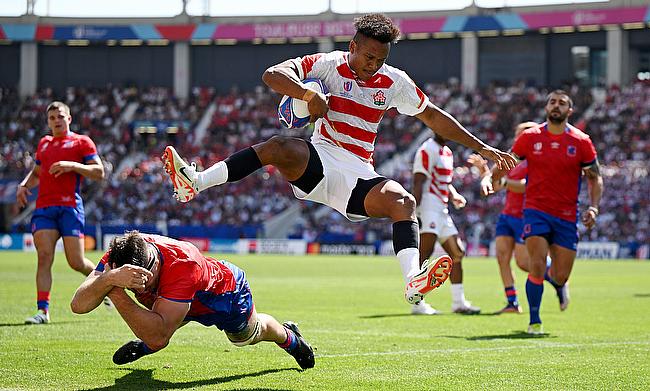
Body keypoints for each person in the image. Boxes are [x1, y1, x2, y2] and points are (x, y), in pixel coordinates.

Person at [162, 13, 516, 307]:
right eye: (368, 57)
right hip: (321, 159)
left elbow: (434, 116)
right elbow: (272, 75)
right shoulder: (328, 65)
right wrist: (307, 93)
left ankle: (412, 281)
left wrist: (482, 147)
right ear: (353, 47)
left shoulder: (395, 82)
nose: (373, 65)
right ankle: (195, 181)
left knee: (403, 202)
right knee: (279, 147)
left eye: (381, 60)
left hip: (359, 172)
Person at [70, 231, 315, 369]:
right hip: (176, 302)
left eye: (144, 275)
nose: (139, 282)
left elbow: (159, 334)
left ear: (153, 260)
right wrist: (109, 278)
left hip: (222, 296)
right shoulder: (120, 254)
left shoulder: (183, 264)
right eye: (130, 277)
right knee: (158, 325)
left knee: (247, 335)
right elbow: (78, 305)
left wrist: (114, 289)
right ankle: (145, 345)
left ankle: (290, 338)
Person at [511, 90, 603, 334]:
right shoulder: (530, 137)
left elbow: (595, 178)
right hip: (535, 210)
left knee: (560, 275)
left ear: (569, 111)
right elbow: (509, 162)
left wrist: (593, 207)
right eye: (552, 102)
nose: (556, 106)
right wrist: (491, 177)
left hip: (566, 215)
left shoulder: (581, 141)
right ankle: (534, 321)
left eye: (562, 103)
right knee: (537, 265)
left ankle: (560, 286)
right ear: (546, 108)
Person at [17, 101, 106, 325]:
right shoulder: (44, 144)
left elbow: (99, 172)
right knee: (44, 257)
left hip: (69, 207)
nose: (56, 120)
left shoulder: (81, 142)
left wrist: (72, 165)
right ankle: (42, 311)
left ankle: (106, 282)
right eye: (52, 118)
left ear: (69, 118)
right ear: (48, 122)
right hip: (44, 207)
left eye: (60, 116)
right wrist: (24, 185)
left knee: (76, 262)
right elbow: (37, 172)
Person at [468, 122, 535, 314]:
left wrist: (502, 181)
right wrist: (484, 173)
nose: (518, 138)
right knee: (502, 257)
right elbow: (497, 186)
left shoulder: (536, 159)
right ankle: (512, 302)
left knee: (523, 263)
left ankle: (555, 277)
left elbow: (525, 186)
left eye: (523, 135)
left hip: (526, 215)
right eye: (517, 134)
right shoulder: (510, 159)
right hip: (508, 215)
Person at [411, 133, 480, 315]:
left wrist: (454, 194)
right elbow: (419, 181)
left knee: (457, 252)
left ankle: (458, 302)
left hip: (442, 209)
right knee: (424, 253)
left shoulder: (447, 152)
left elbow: (443, 181)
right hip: (427, 206)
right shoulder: (426, 150)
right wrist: (413, 210)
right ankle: (417, 303)